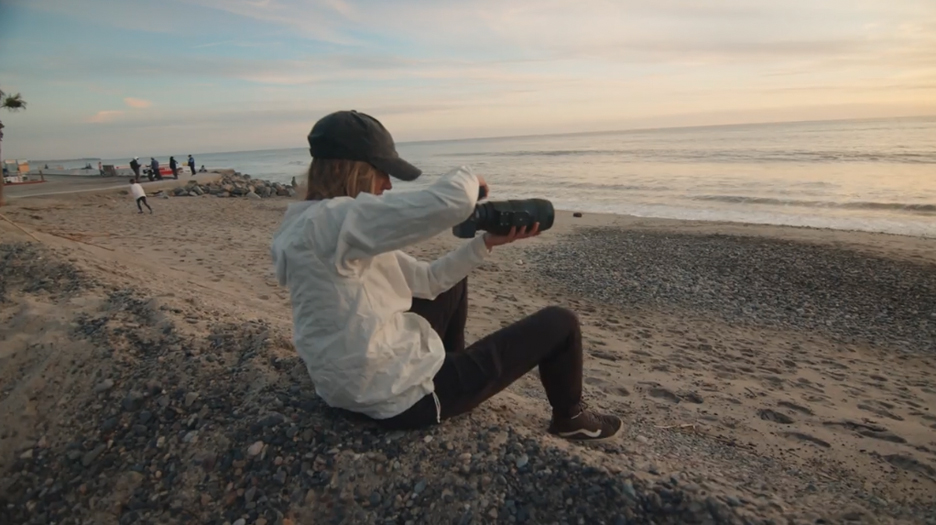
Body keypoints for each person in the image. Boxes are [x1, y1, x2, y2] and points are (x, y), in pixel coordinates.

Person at [270, 110, 622, 442]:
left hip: (345, 385)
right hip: (395, 400)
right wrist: (471, 179)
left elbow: (429, 281)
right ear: (356, 170)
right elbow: (451, 201)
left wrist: (486, 243)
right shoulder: (335, 221)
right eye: (383, 172)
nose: (388, 185)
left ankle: (454, 366)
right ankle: (570, 418)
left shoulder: (309, 224)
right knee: (560, 323)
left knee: (451, 282)